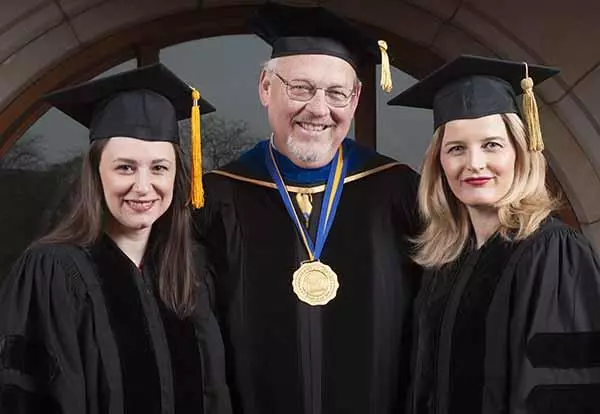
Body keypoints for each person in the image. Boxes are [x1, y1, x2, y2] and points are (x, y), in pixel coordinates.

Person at [193, 4, 422, 414]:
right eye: (300, 88)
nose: (319, 109)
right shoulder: (219, 197)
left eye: (337, 93)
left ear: (355, 100)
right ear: (266, 87)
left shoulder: (396, 191)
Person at [0, 63, 232, 414]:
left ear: (176, 175)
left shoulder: (191, 270)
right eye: (125, 167)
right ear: (96, 174)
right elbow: (21, 396)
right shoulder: (52, 272)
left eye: (159, 167)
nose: (143, 186)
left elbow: (215, 392)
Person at [388, 54, 600, 414]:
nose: (474, 163)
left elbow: (564, 394)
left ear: (521, 152)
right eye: (456, 149)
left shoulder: (552, 253)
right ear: (439, 163)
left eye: (491, 145)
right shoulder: (446, 259)